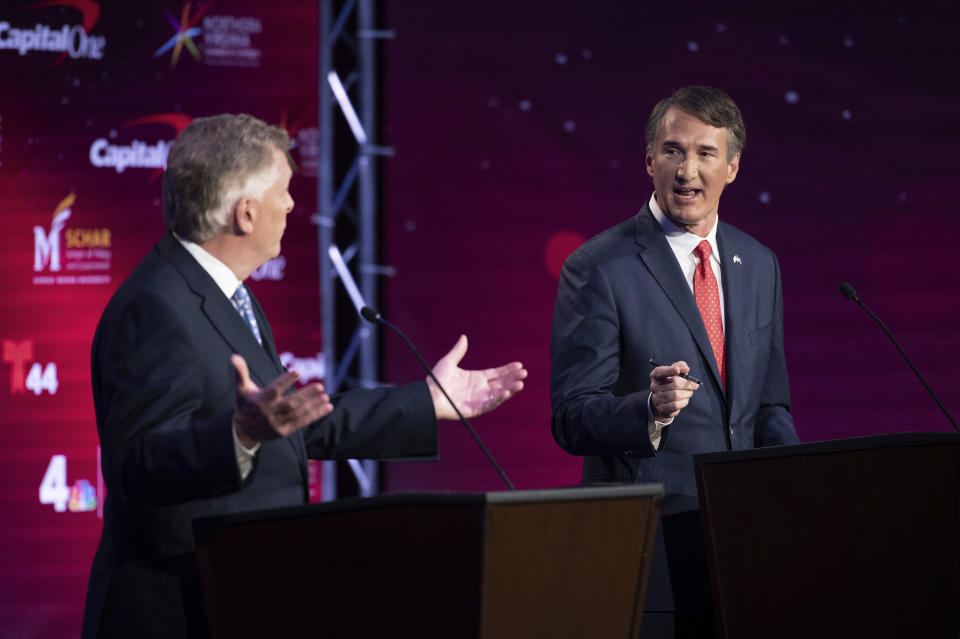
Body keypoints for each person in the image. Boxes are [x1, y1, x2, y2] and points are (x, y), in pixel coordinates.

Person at [82, 113, 527, 639]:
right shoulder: (156, 307)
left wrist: (424, 401)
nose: (293, 204)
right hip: (175, 611)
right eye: (284, 191)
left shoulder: (228, 295)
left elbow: (297, 424)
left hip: (238, 597)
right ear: (245, 212)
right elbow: (136, 466)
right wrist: (240, 435)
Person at [550, 86, 799, 636]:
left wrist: (800, 491)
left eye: (706, 154)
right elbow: (570, 417)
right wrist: (649, 410)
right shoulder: (599, 267)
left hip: (743, 549)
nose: (687, 170)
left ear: (731, 167)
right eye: (672, 151)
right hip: (646, 548)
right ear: (649, 161)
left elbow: (767, 408)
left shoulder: (760, 264)